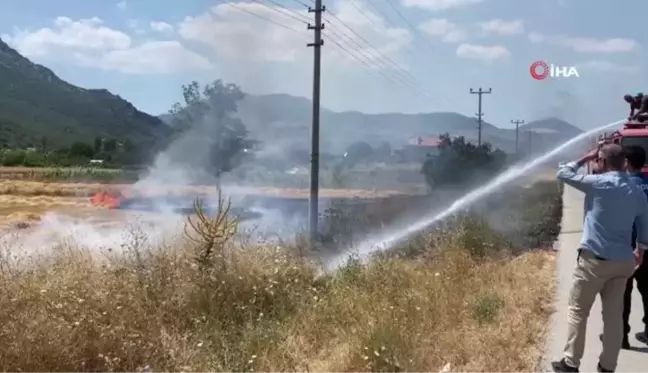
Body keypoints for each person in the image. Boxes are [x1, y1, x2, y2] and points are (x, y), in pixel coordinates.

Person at [551, 144, 647, 373]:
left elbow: (563, 173)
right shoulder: (637, 192)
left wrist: (585, 156)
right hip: (623, 262)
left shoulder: (599, 184)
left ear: (602, 161)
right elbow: (645, 227)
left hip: (594, 260)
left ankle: (571, 363)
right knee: (613, 318)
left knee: (578, 311)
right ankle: (607, 367)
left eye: (597, 160)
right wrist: (640, 251)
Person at [621, 145, 648, 347]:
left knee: (623, 293)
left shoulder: (621, 186)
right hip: (647, 246)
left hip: (627, 247)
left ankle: (621, 336)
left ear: (627, 163)